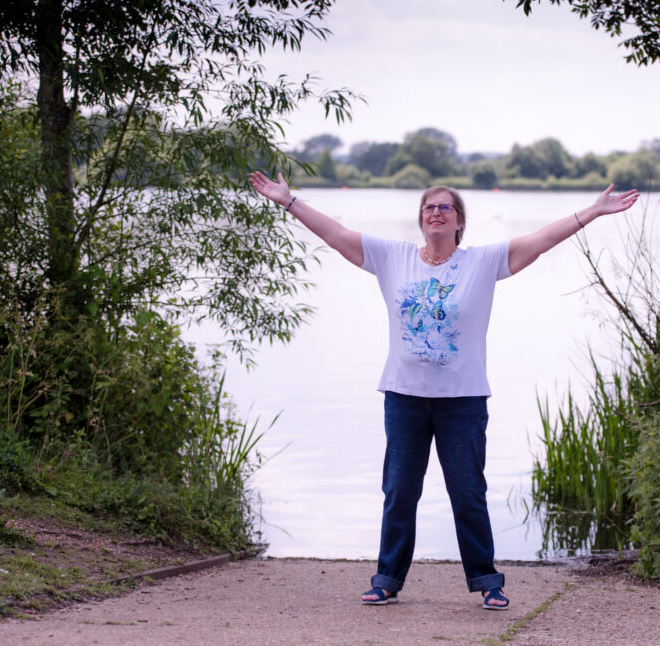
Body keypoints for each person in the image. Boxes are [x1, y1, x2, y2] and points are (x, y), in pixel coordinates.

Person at [249, 171, 639, 610]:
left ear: (458, 222)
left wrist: (592, 211)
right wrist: (289, 201)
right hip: (404, 397)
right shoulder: (392, 257)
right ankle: (387, 579)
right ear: (421, 219)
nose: (436, 212)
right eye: (429, 207)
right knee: (399, 492)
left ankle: (488, 582)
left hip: (463, 400)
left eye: (445, 208)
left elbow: (542, 239)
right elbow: (336, 235)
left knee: (468, 493)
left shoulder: (482, 262)